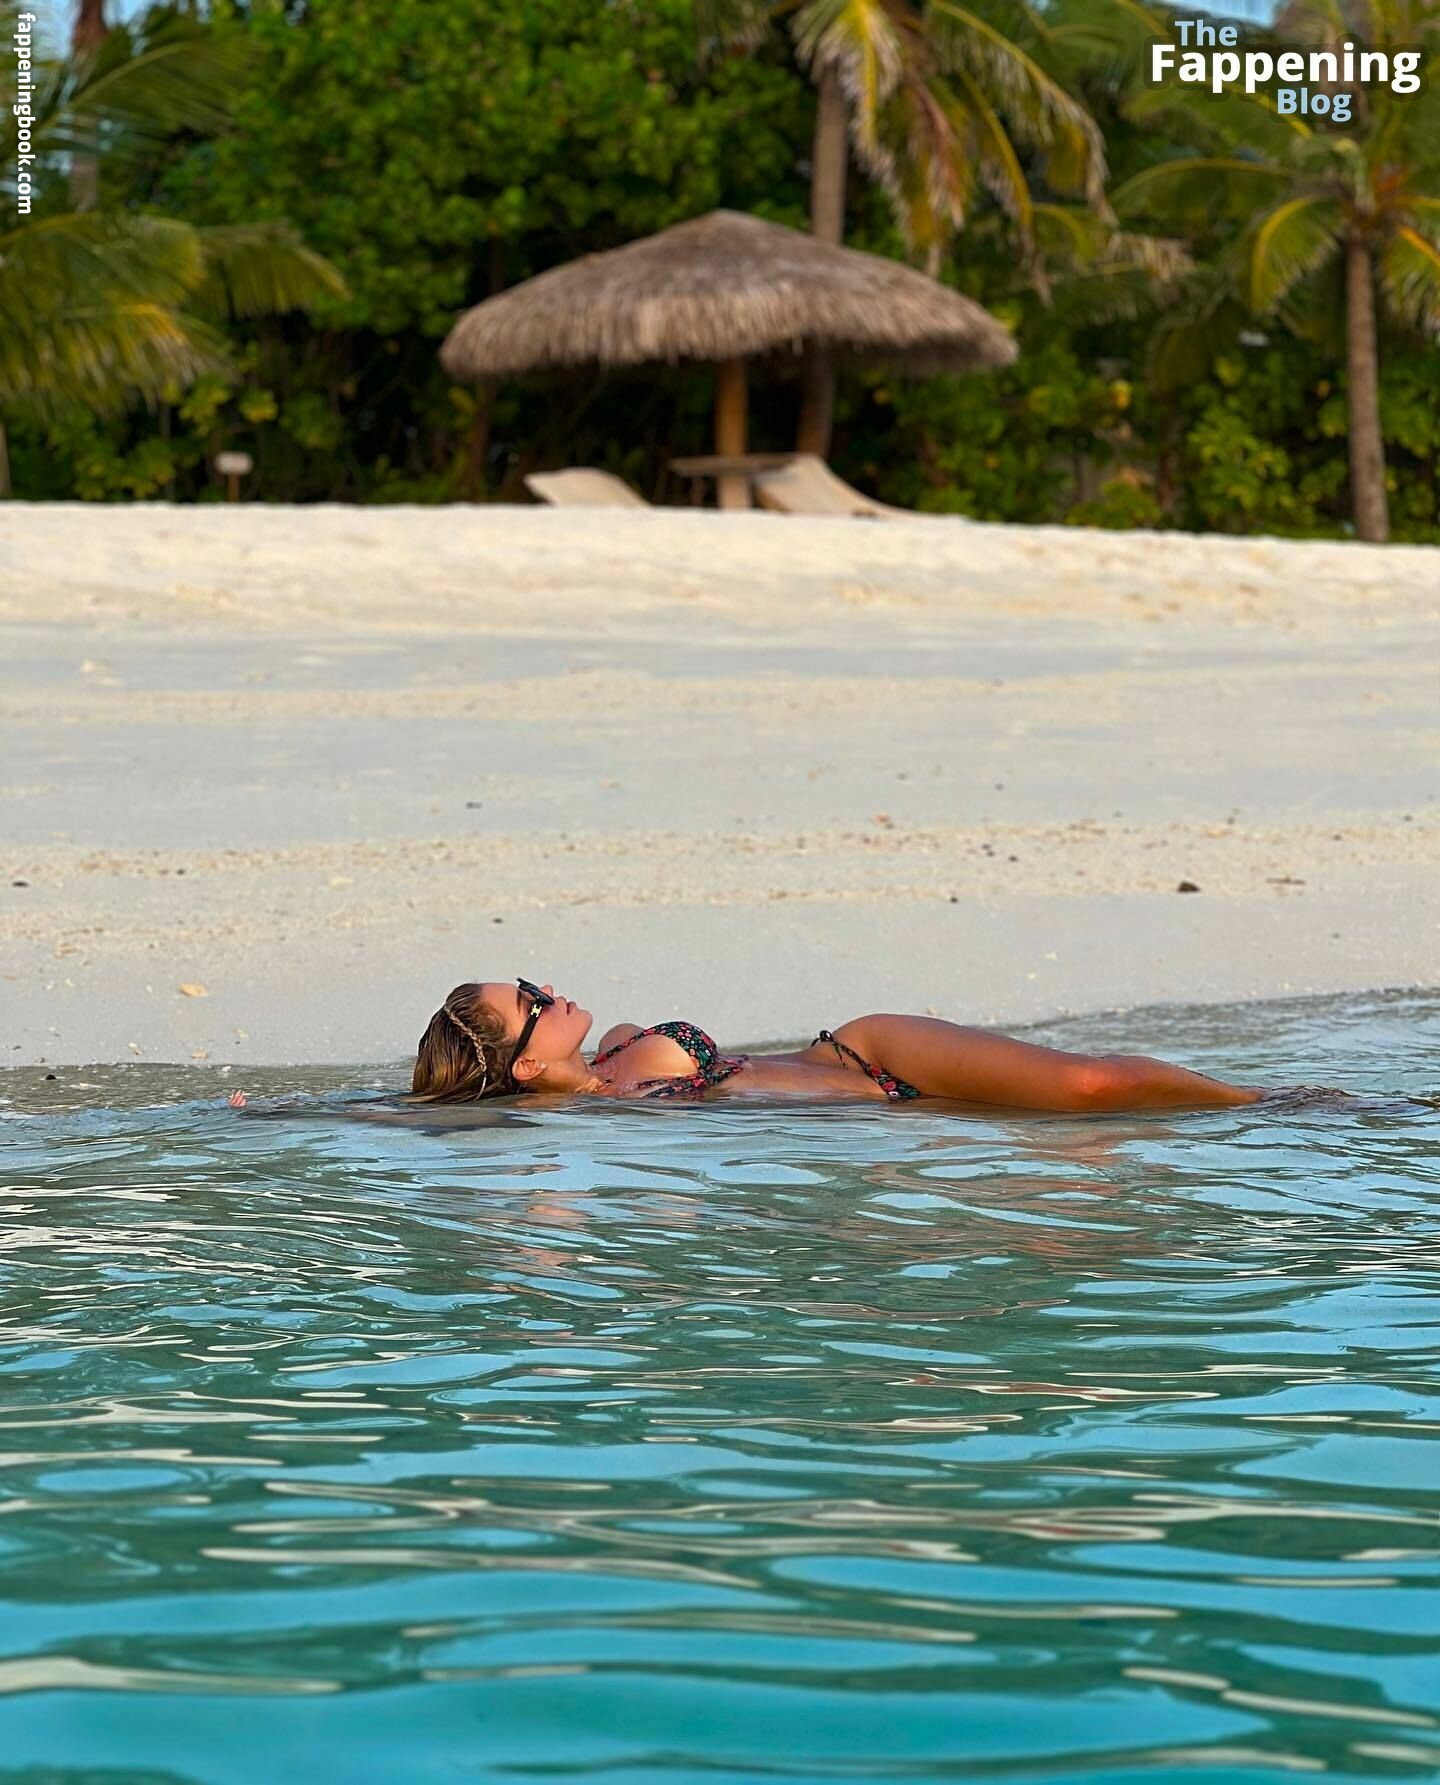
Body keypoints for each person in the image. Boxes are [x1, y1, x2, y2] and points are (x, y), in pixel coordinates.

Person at [404, 977, 1264, 1112]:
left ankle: (1266, 1103)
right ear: (524, 1064)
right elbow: (413, 1113)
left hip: (873, 1059)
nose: (548, 991)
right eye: (530, 1001)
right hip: (901, 1117)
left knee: (1089, 1087)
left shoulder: (623, 1048)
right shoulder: (604, 1106)